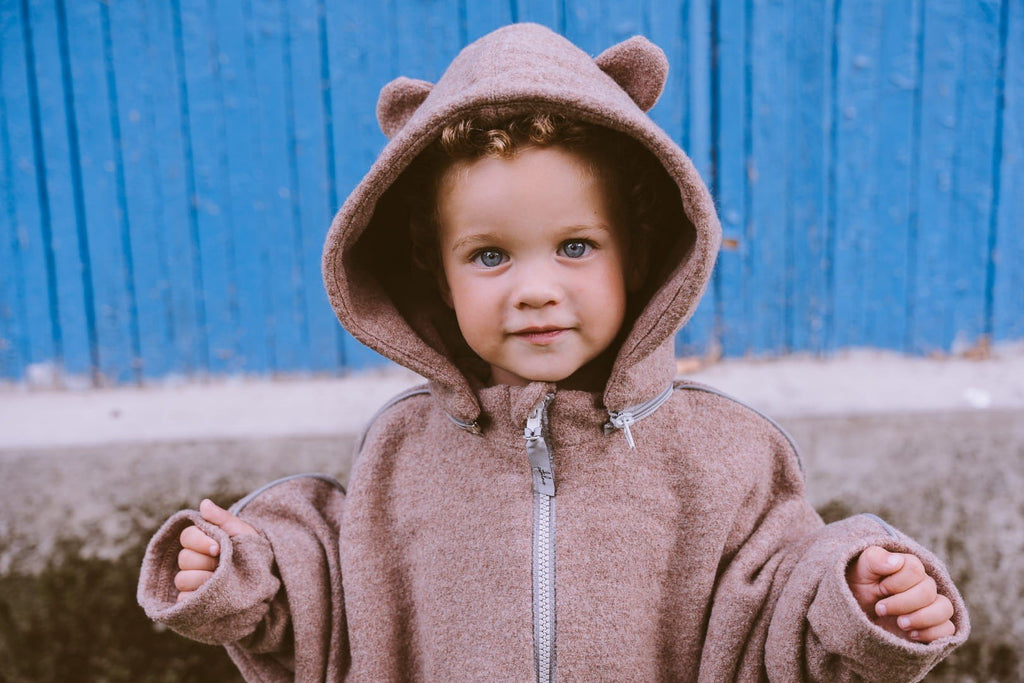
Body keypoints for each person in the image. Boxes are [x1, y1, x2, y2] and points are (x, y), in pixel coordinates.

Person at [138, 23, 969, 681]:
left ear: (637, 255)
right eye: (491, 255)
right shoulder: (401, 451)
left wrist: (860, 597)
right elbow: (337, 604)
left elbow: (784, 602)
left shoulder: (729, 457)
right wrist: (245, 568)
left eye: (575, 246)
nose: (535, 289)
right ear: (438, 272)